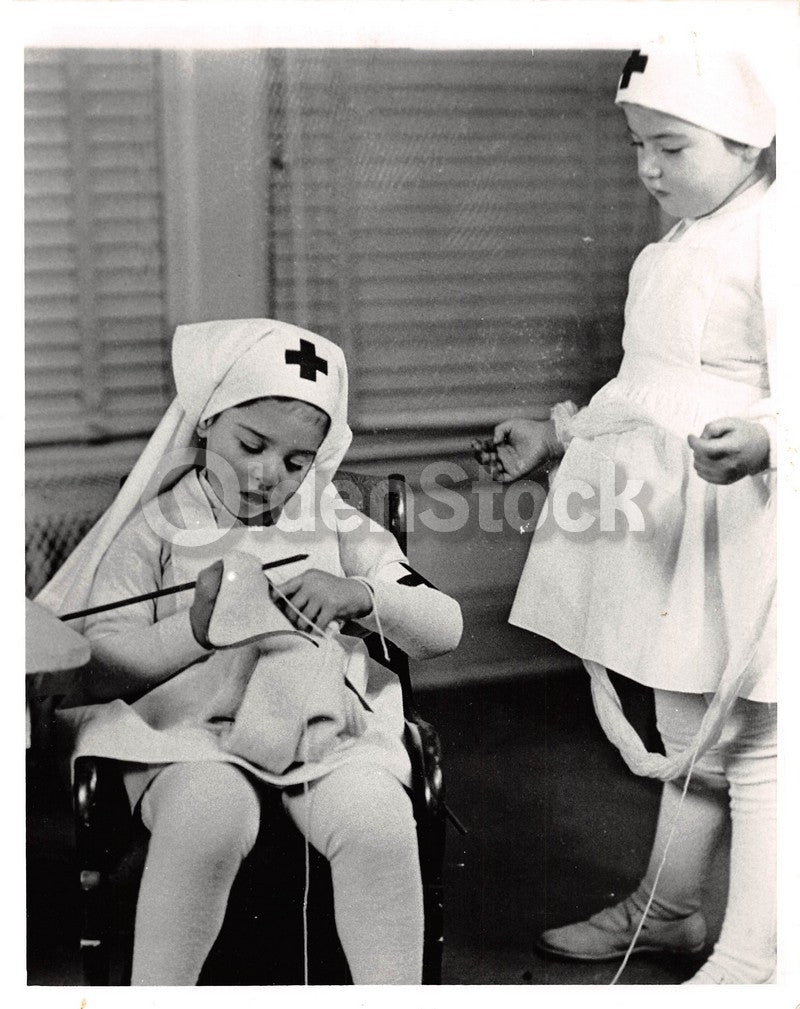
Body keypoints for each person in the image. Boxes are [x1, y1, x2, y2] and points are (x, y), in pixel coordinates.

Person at [475, 44, 777, 985]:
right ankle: (670, 909)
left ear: (748, 140)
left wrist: (768, 439)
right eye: (638, 145)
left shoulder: (778, 238)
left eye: (671, 147)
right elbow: (647, 385)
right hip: (674, 522)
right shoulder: (674, 248)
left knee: (757, 740)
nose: (648, 168)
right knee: (690, 728)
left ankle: (753, 960)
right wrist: (558, 433)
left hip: (753, 520)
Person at [38, 318, 463, 985]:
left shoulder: (333, 518)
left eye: (296, 462)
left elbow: (445, 626)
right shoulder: (156, 527)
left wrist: (359, 593)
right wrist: (193, 629)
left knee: (378, 818)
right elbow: (99, 665)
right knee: (207, 814)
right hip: (187, 736)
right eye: (251, 444)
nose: (270, 475)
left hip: (320, 730)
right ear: (207, 421)